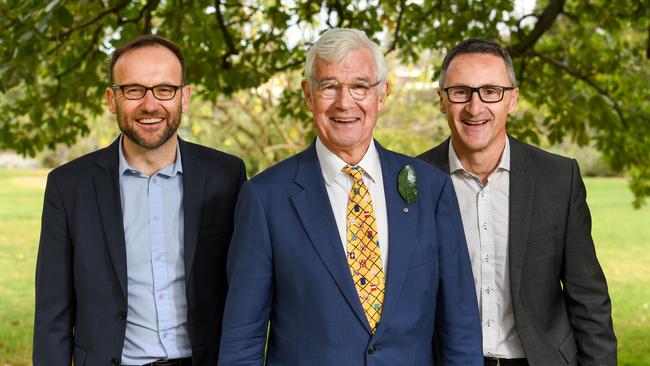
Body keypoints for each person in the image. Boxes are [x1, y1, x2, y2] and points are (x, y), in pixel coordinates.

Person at [217, 28, 482, 366]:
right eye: (329, 86)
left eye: (359, 86)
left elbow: (460, 332)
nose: (345, 102)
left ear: (382, 95)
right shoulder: (264, 198)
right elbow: (242, 342)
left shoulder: (431, 189)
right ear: (308, 95)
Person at [33, 35, 247, 366]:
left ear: (184, 97)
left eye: (165, 89)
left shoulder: (227, 175)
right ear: (111, 99)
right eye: (134, 90)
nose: (150, 105)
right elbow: (53, 314)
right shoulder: (68, 186)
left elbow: (247, 292)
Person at [418, 38, 617, 366]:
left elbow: (590, 301)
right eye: (460, 92)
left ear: (513, 99)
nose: (475, 107)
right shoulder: (414, 181)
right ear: (442, 100)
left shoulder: (558, 178)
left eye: (491, 91)